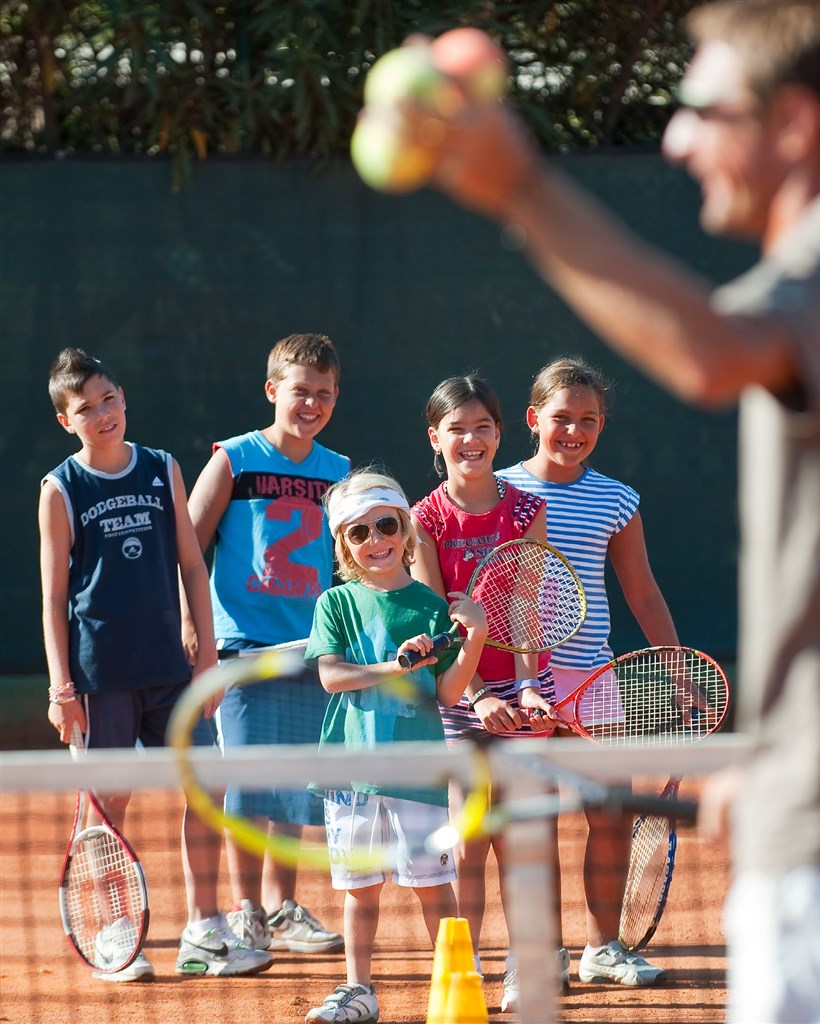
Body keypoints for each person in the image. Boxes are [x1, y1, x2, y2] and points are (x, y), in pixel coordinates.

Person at [399, 2, 820, 1020]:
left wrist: (520, 189)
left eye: (700, 106)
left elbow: (708, 354)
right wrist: (781, 754)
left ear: (793, 125)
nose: (677, 139)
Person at [39, 347, 272, 982]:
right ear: (67, 421)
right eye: (85, 408)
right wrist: (63, 689)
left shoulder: (161, 467)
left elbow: (191, 566)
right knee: (110, 800)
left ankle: (204, 929)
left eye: (109, 399)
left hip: (173, 668)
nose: (103, 414)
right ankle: (117, 929)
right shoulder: (60, 488)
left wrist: (208, 660)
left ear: (123, 398)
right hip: (98, 675)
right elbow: (54, 597)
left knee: (207, 785)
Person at [498, 355, 677, 987]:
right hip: (517, 687)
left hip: (593, 683)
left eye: (589, 420)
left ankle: (604, 949)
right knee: (533, 821)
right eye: (561, 418)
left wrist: (674, 664)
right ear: (531, 419)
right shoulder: (498, 492)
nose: (573, 431)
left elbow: (642, 591)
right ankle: (542, 954)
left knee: (608, 813)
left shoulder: (617, 499)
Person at [302, 469, 488, 1024]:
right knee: (360, 891)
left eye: (385, 525)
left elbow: (450, 692)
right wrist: (395, 664)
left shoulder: (433, 608)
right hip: (350, 772)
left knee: (433, 888)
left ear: (406, 531)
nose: (375, 540)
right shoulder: (334, 603)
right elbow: (332, 677)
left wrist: (473, 637)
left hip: (418, 773)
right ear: (343, 545)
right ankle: (358, 992)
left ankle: (454, 987)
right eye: (358, 533)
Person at [182, 333, 347, 957]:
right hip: (243, 648)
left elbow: (352, 560)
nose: (311, 403)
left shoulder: (337, 471)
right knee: (247, 785)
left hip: (313, 650)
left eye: (324, 394)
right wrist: (193, 627)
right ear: (273, 390)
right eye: (300, 391)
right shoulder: (235, 459)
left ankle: (282, 910)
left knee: (295, 786)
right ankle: (245, 910)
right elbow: (189, 548)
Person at [409, 374, 565, 1013]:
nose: (470, 439)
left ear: (501, 433)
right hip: (458, 690)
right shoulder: (423, 519)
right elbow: (434, 619)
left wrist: (527, 686)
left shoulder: (527, 509)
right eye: (457, 428)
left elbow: (528, 604)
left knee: (528, 834)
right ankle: (466, 968)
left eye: (482, 427)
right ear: (435, 438)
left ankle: (527, 968)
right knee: (467, 835)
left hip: (526, 687)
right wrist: (476, 695)